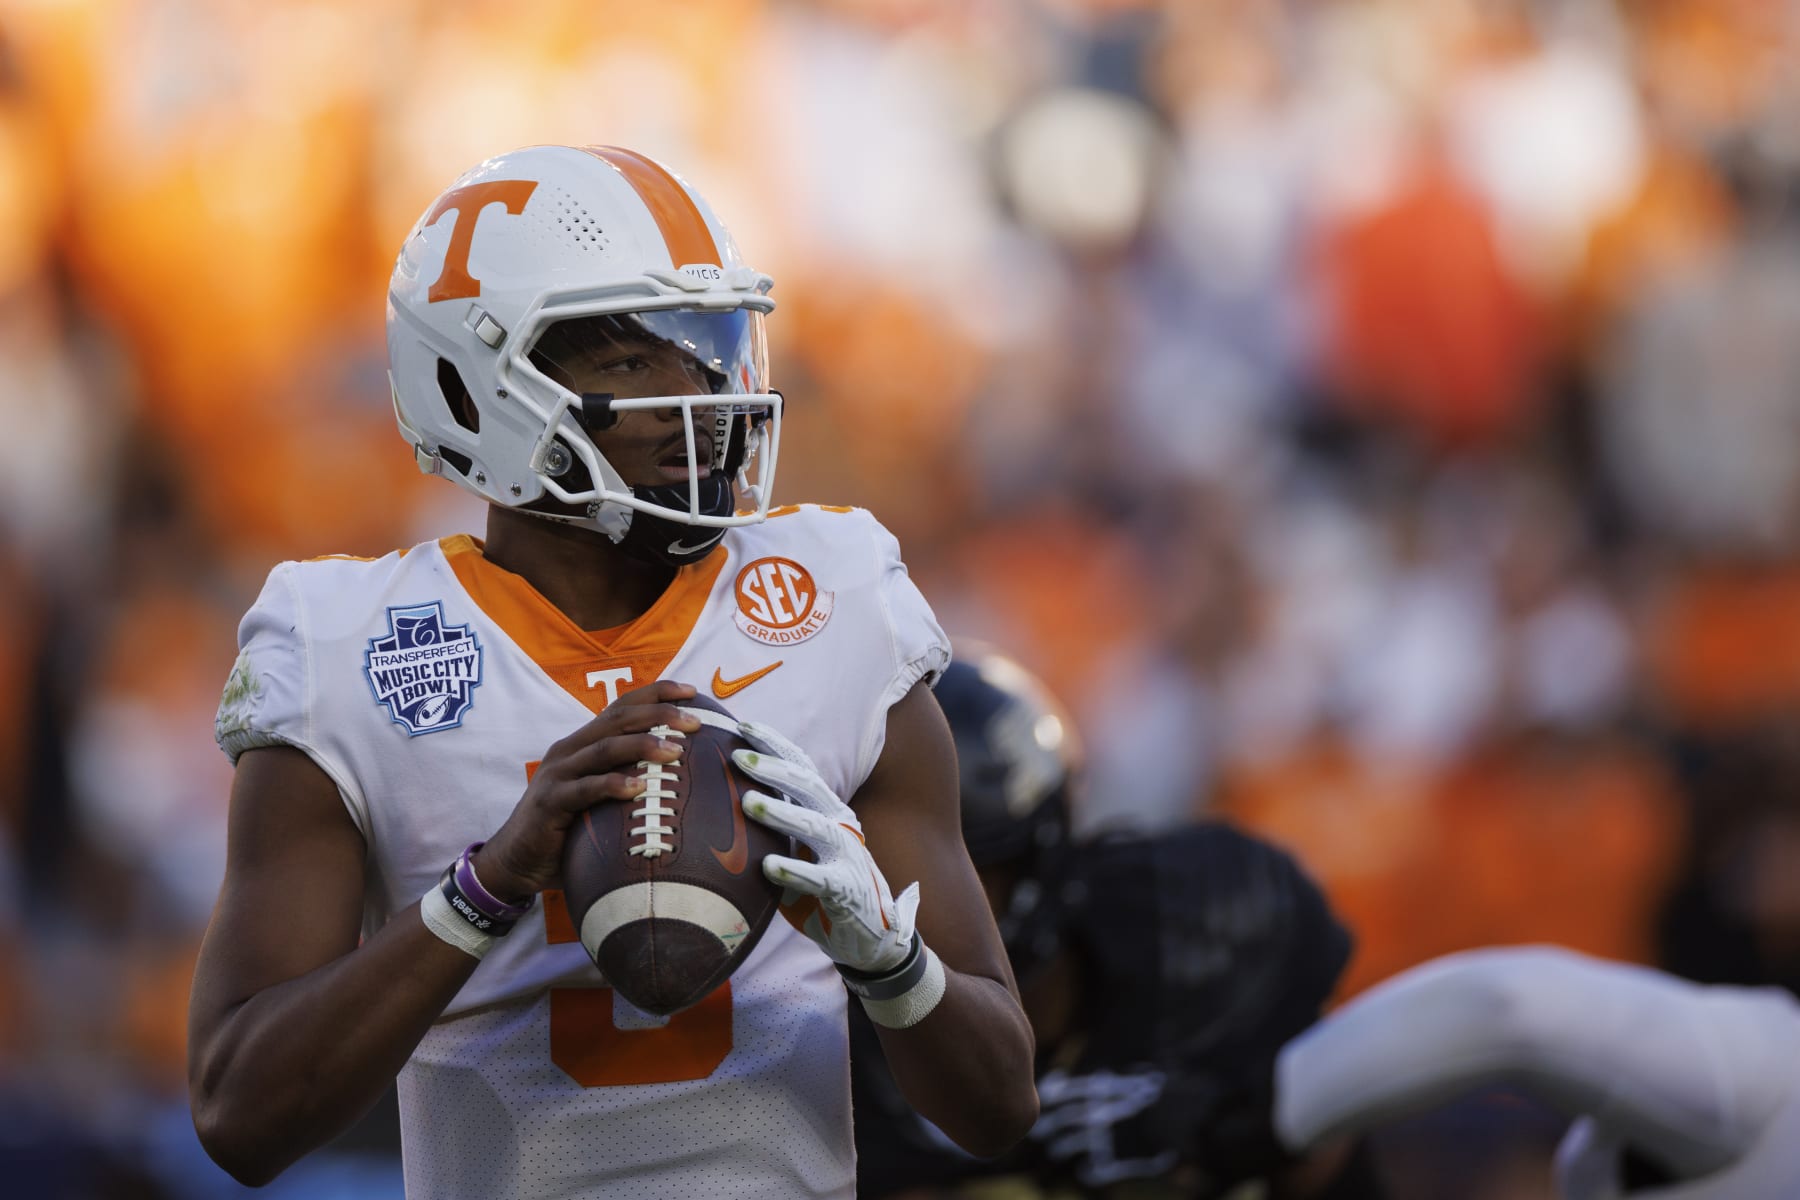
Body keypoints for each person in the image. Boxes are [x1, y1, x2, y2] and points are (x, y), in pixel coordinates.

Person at [187, 144, 1037, 1199]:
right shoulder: (344, 648)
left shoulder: (835, 602)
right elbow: (238, 1114)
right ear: (476, 385)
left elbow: (1000, 1101)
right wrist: (487, 885)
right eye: (633, 363)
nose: (704, 397)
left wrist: (890, 962)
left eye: (710, 348)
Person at [850, 649, 1381, 1199]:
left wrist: (1226, 1127)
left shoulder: (1200, 921)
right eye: (883, 873)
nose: (909, 903)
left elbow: (1338, 1114)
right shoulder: (826, 1028)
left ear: (1034, 855)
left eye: (958, 867)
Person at [1273, 945, 1800, 1200]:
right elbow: (1508, 1009)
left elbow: (1508, 1008)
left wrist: (1258, 1119)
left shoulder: (1772, 1065)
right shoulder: (1770, 1065)